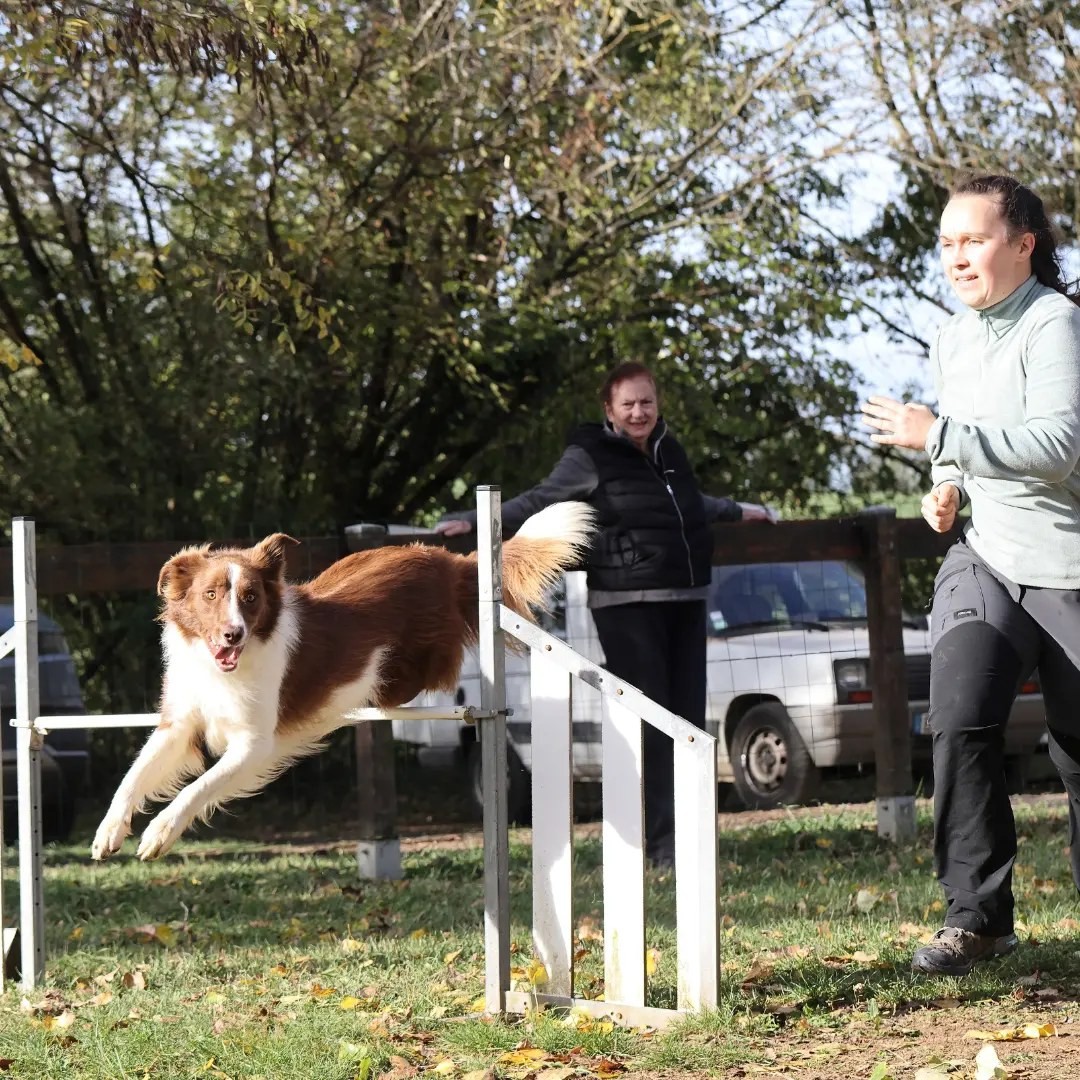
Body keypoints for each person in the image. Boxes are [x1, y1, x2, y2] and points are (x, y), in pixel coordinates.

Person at [861, 174, 1080, 976]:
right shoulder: (952, 338)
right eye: (947, 243)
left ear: (1023, 244)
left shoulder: (1056, 325)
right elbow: (957, 454)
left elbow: (1058, 447)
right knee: (956, 716)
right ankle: (978, 919)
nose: (956, 258)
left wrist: (936, 433)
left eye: (973, 240)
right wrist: (945, 487)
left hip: (1067, 566)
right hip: (983, 559)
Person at [436, 361, 773, 868]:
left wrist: (734, 509)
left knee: (688, 724)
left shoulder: (668, 451)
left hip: (686, 599)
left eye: (647, 402)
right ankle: (658, 848)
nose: (639, 412)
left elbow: (682, 504)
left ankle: (690, 842)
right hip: (627, 603)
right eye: (629, 404)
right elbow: (541, 500)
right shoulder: (589, 455)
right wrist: (474, 520)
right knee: (653, 725)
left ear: (657, 405)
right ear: (610, 411)